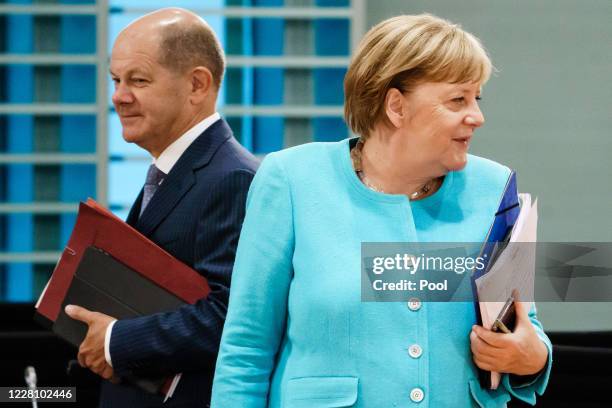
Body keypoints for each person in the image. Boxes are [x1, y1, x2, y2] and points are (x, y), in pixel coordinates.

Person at [211, 14, 551, 407]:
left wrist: (532, 357)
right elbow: (246, 348)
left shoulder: (495, 188)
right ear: (396, 106)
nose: (477, 115)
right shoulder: (290, 181)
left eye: (477, 98)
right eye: (458, 99)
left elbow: (528, 327)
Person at [63, 8, 258, 407]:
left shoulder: (233, 178)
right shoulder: (171, 172)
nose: (119, 95)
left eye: (138, 80)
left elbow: (232, 316)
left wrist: (117, 342)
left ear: (197, 85)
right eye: (116, 80)